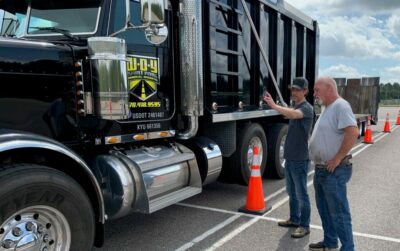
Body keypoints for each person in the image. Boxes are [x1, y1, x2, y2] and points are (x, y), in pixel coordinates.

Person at [308, 77, 359, 251]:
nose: (314, 94)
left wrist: (337, 158)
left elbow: (352, 132)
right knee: (325, 210)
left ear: (329, 88)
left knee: (339, 214)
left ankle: (348, 248)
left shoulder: (341, 106)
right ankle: (330, 242)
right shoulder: (328, 107)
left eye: (316, 90)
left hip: (334, 170)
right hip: (322, 169)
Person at [264, 77, 314, 238]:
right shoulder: (296, 106)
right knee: (292, 192)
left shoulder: (306, 108)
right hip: (291, 158)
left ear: (305, 91)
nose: (294, 92)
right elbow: (289, 112)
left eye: (297, 89)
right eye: (292, 89)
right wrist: (279, 106)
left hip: (300, 159)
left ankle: (304, 225)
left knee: (301, 194)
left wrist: (273, 105)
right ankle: (294, 219)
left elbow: (292, 114)